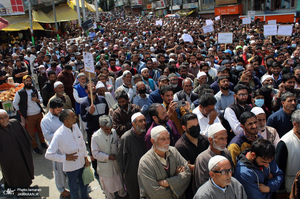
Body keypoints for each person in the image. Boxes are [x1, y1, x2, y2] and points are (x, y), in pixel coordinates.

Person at [45, 109, 90, 199]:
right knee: (74, 190)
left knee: (84, 184)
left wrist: (85, 157)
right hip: (71, 168)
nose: (75, 117)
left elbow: (81, 142)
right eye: (73, 116)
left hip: (82, 163)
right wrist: (64, 158)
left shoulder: (75, 126)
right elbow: (48, 154)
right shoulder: (59, 135)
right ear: (66, 121)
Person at [138, 125, 191, 199]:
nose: (167, 142)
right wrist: (177, 180)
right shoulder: (145, 162)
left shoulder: (173, 152)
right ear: (153, 141)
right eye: (162, 139)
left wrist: (167, 182)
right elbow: (155, 193)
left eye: (168, 138)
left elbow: (187, 174)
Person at [175, 113, 209, 199]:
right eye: (192, 127)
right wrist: (207, 165)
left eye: (197, 125)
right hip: (191, 189)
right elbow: (187, 168)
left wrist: (196, 167)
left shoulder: (204, 140)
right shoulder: (181, 146)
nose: (196, 129)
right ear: (184, 128)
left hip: (207, 182)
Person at [91, 115, 127, 199]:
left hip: (115, 164)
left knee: (119, 181)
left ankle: (122, 194)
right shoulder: (95, 137)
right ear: (101, 126)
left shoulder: (114, 132)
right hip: (105, 166)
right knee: (108, 186)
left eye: (110, 128)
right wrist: (107, 157)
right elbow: (95, 154)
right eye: (106, 129)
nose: (109, 131)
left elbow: (118, 142)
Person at [40, 98, 70, 198]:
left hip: (68, 146)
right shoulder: (45, 121)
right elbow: (48, 136)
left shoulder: (62, 115)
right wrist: (62, 134)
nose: (60, 112)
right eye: (58, 110)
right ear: (51, 109)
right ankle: (61, 189)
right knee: (59, 171)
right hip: (57, 150)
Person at [193, 123, 234, 192]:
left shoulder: (226, 152)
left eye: (226, 138)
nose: (225, 142)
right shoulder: (202, 159)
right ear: (210, 140)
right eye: (221, 139)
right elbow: (202, 185)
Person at [0, 109, 34, 189]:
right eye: (1, 118)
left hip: (22, 155)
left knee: (25, 173)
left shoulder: (15, 123)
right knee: (12, 177)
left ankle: (27, 187)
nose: (5, 120)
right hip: (8, 161)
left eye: (6, 117)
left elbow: (26, 138)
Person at [116, 112, 147, 199]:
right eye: (140, 121)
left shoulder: (145, 135)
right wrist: (124, 173)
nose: (144, 123)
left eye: (144, 120)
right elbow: (120, 159)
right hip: (132, 174)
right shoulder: (126, 138)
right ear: (134, 124)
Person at [13, 75, 46, 155]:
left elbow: (41, 100)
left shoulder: (34, 90)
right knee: (31, 133)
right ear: (23, 82)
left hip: (38, 113)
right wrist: (21, 113)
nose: (28, 82)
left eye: (29, 80)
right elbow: (15, 104)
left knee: (40, 130)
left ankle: (42, 142)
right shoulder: (20, 92)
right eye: (26, 81)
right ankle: (35, 147)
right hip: (29, 116)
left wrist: (36, 100)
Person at [81, 82, 109, 177]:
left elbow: (107, 113)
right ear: (86, 90)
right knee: (94, 153)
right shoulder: (84, 103)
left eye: (93, 86)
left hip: (103, 130)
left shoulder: (102, 99)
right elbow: (84, 118)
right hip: (92, 131)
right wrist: (89, 113)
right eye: (90, 86)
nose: (93, 87)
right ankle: (97, 171)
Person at [275, 110, 300, 195]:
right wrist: (281, 190)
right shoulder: (285, 142)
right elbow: (279, 167)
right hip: (290, 189)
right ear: (295, 124)